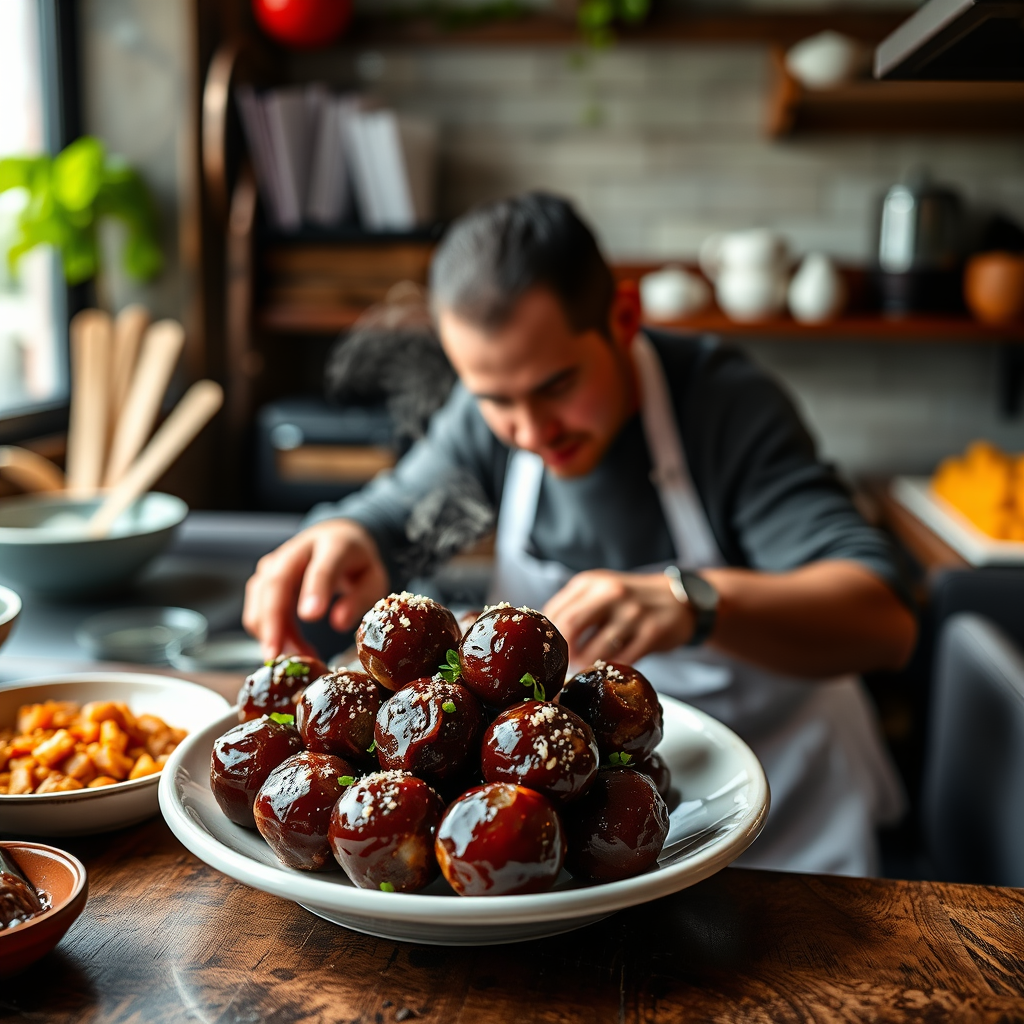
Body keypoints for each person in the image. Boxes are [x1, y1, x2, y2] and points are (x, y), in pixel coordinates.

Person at [243, 193, 917, 876]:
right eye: (494, 399)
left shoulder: (726, 406)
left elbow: (884, 619)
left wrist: (695, 603)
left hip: (779, 832)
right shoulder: (495, 413)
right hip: (573, 857)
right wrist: (344, 535)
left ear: (623, 319)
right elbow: (396, 510)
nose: (530, 432)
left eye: (558, 385)